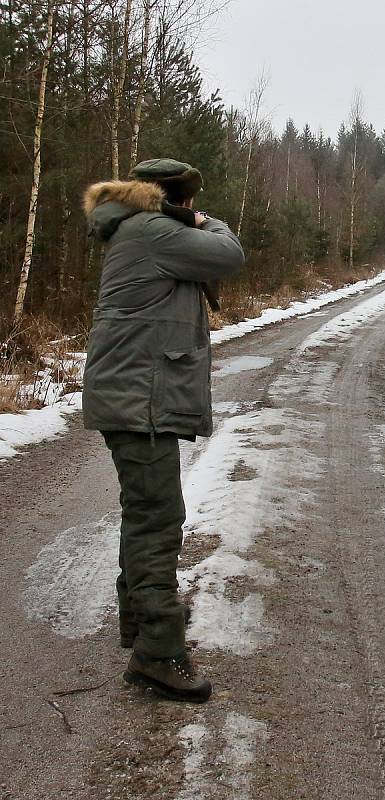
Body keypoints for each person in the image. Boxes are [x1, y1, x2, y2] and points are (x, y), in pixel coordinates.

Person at [82, 158, 244, 702]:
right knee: (158, 520)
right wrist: (204, 224)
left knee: (144, 513)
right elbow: (229, 254)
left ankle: (142, 624)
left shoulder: (137, 230)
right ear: (172, 199)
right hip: (139, 399)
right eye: (189, 200)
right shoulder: (152, 231)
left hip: (133, 395)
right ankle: (158, 653)